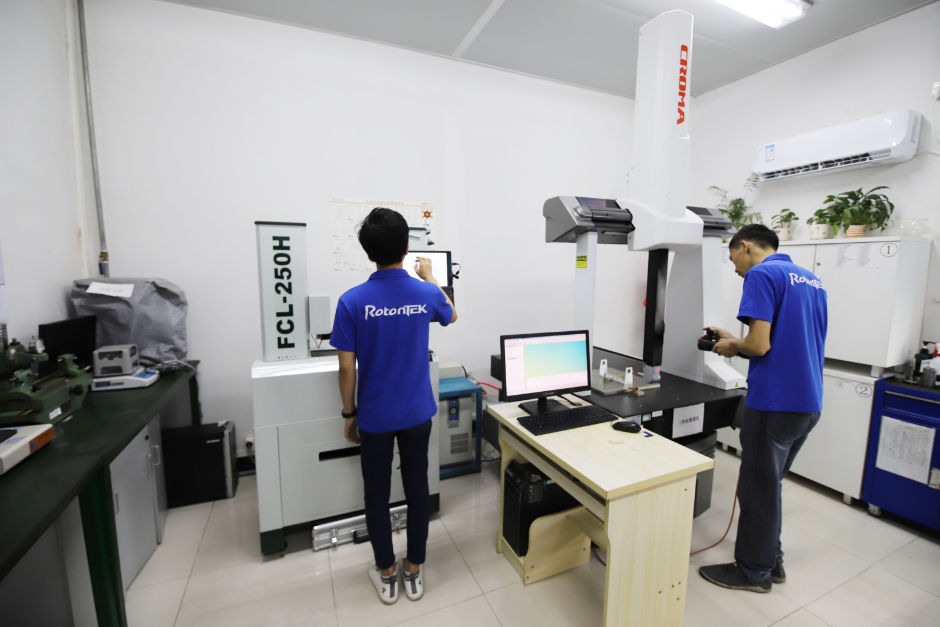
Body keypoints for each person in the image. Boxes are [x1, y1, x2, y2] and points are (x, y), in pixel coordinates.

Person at [330, 207, 457, 605]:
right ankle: (414, 570)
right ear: (406, 248)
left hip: (375, 416)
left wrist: (349, 414)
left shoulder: (351, 301)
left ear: (368, 252)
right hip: (417, 412)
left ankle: (386, 573)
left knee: (376, 493)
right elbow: (451, 314)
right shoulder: (425, 293)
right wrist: (431, 277)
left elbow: (346, 368)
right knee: (418, 490)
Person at [699, 223, 827, 593]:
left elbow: (758, 346)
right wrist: (734, 338)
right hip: (807, 403)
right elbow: (782, 339)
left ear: (745, 246)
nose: (735, 269)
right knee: (768, 486)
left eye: (732, 260)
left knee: (757, 490)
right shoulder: (811, 280)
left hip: (774, 401)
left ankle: (753, 572)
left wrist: (732, 346)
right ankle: (773, 562)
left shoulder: (761, 274)